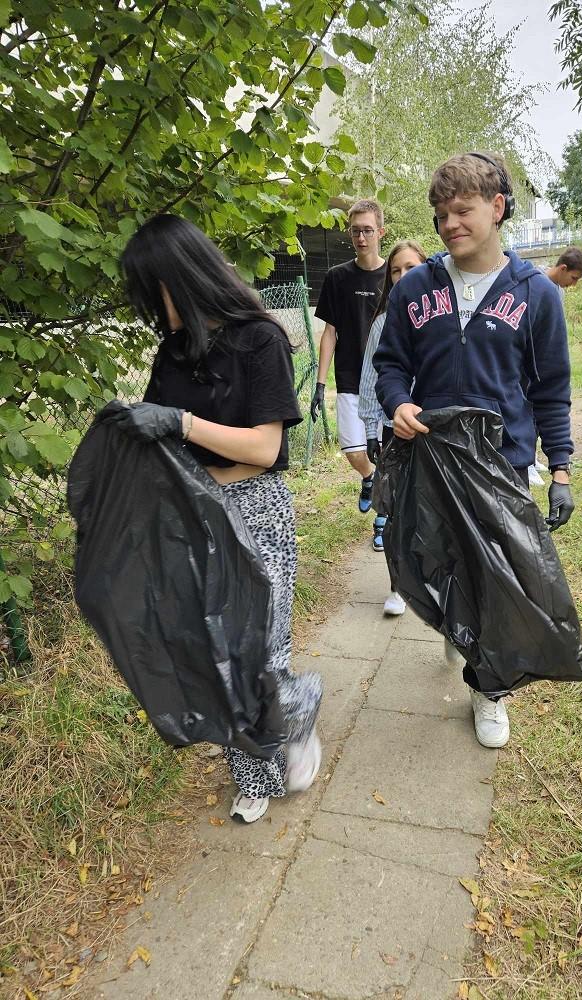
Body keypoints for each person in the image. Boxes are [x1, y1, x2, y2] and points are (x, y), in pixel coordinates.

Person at [117, 214, 322, 824]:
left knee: (259, 650)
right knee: (216, 653)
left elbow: (264, 448)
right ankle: (253, 773)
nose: (149, 309)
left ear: (178, 279)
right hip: (198, 518)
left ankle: (297, 708)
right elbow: (165, 448)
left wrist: (181, 424)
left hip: (256, 512)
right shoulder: (173, 352)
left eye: (150, 292)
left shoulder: (260, 339)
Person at [374, 152, 575, 750]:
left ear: (497, 207)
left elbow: (551, 390)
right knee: (439, 562)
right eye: (440, 215)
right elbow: (389, 365)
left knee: (498, 581)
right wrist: (397, 404)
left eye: (462, 211)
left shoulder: (537, 295)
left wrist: (559, 468)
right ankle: (459, 627)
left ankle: (489, 691)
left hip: (501, 464)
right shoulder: (414, 288)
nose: (449, 224)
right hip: (431, 457)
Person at [358, 239, 427, 615]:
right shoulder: (383, 322)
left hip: (434, 431)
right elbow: (371, 377)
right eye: (396, 270)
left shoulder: (439, 316)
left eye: (411, 269)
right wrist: (371, 428)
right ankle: (398, 588)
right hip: (393, 429)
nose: (403, 277)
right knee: (397, 512)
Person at [311, 200, 387, 514]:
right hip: (349, 378)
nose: (362, 237)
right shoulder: (337, 277)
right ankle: (369, 477)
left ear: (381, 231)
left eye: (368, 230)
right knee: (355, 452)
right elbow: (330, 332)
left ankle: (384, 519)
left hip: (387, 381)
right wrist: (319, 383)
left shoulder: (394, 275)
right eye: (356, 231)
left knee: (386, 452)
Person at [526, 246, 582, 484]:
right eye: (573, 278)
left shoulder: (557, 290)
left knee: (539, 411)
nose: (573, 284)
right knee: (529, 412)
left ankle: (534, 459)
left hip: (547, 361)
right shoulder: (534, 283)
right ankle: (528, 462)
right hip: (529, 365)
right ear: (563, 268)